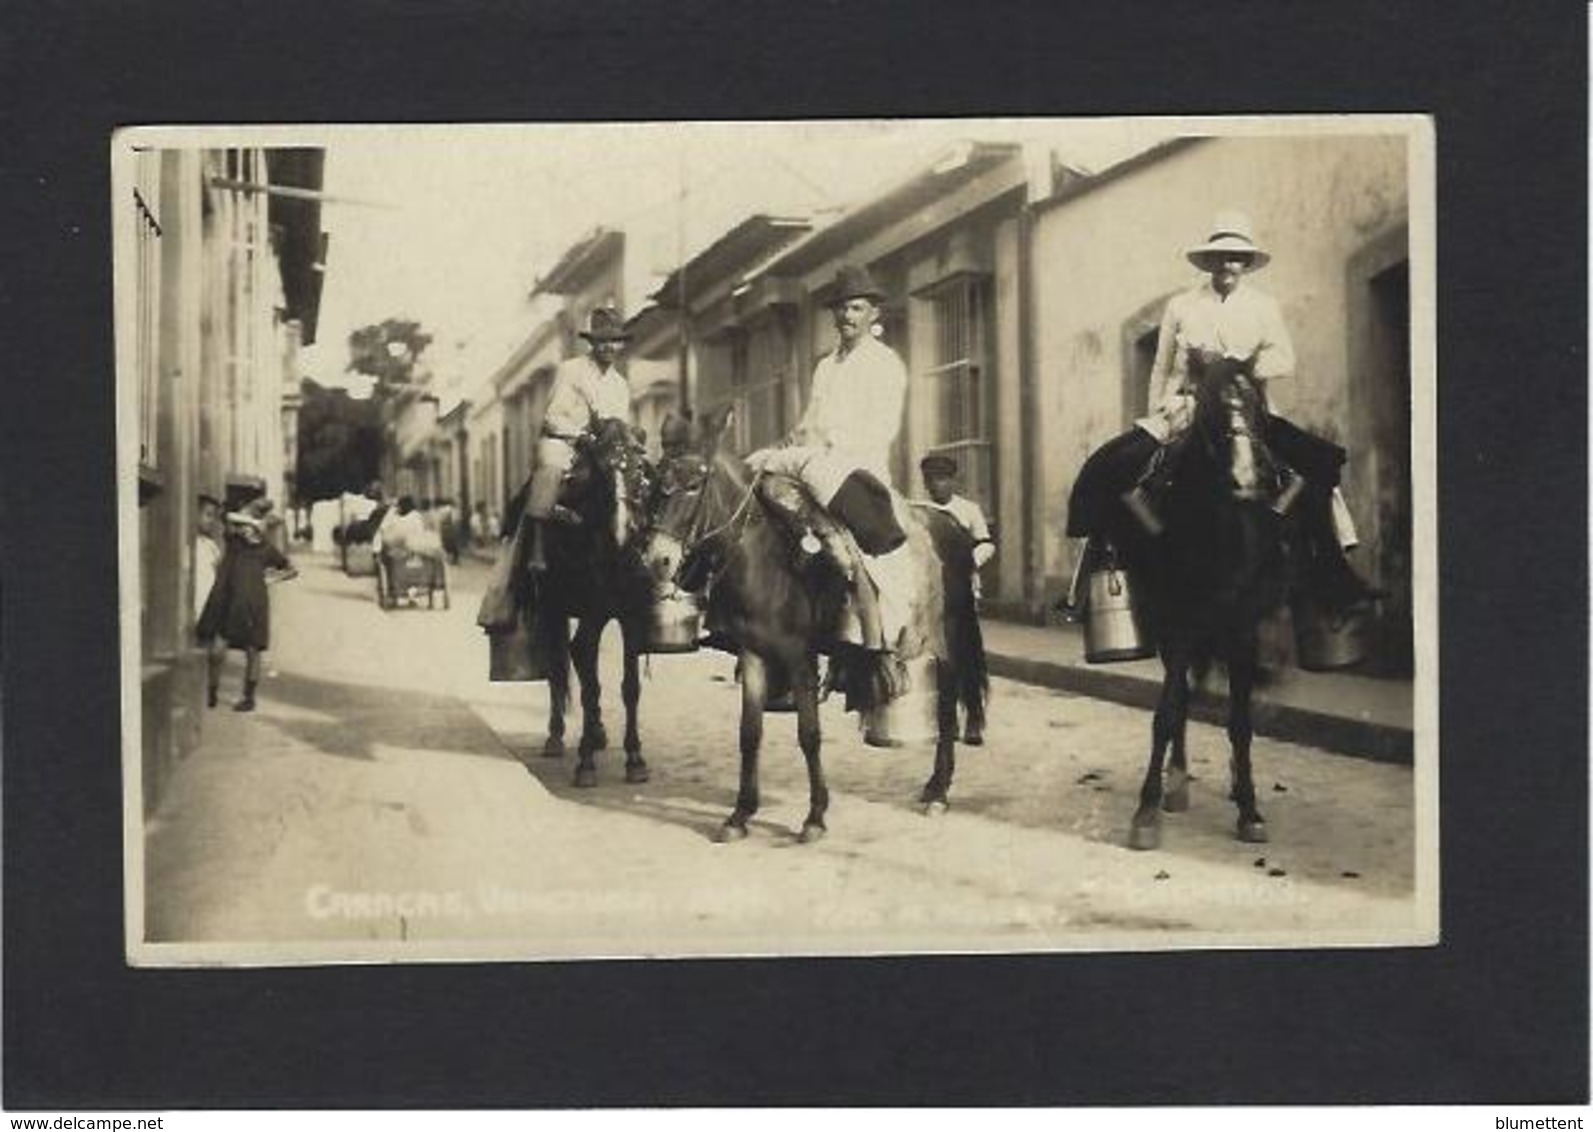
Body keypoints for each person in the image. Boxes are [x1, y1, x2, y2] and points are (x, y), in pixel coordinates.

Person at [1063, 210, 1377, 618]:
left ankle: (1333, 578)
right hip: (1187, 404)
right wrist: (1159, 411)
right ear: (1208, 262)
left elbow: (1285, 357)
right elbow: (1161, 365)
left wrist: (1238, 369)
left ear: (1246, 264)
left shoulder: (1264, 306)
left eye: (1237, 258)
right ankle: (1096, 580)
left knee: (1318, 468)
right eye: (1221, 257)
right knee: (1113, 464)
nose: (1228, 266)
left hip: (1247, 403)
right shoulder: (1182, 305)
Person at [747, 263, 914, 655]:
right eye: (841, 309)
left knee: (852, 548)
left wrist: (827, 444)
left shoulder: (885, 363)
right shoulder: (826, 365)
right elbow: (809, 421)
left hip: (858, 470)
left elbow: (883, 429)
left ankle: (874, 632)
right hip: (814, 462)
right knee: (761, 484)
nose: (846, 316)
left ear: (873, 312)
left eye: (856, 308)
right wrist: (792, 441)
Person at [522, 305, 636, 570]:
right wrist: (580, 434)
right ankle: (537, 545)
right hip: (568, 442)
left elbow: (621, 423)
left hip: (606, 446)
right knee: (551, 467)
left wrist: (628, 439)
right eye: (603, 341)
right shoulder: (570, 371)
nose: (609, 347)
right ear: (593, 343)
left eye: (614, 341)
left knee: (640, 475)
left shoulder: (620, 385)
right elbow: (553, 416)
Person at [197, 499, 296, 712]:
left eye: (250, 528)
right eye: (245, 527)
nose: (245, 530)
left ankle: (248, 698)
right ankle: (212, 692)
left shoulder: (267, 550)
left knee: (253, 650)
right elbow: (228, 517)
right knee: (218, 649)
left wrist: (271, 579)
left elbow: (291, 569)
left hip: (255, 604)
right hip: (229, 600)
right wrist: (250, 517)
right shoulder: (234, 542)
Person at [918, 452, 995, 602]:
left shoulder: (969, 509)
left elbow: (986, 544)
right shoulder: (920, 510)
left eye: (940, 479)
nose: (934, 484)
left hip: (960, 579)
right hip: (927, 581)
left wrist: (970, 561)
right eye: (929, 480)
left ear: (952, 481)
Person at [193, 491, 224, 624]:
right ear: (195, 514)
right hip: (196, 607)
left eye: (214, 517)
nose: (211, 521)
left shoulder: (211, 545)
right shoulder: (191, 542)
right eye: (208, 515)